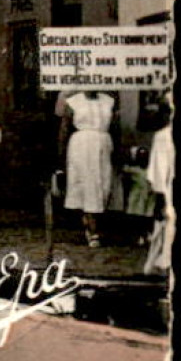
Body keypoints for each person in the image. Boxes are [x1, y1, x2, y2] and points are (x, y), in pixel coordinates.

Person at [60, 90, 118, 247]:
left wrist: (118, 150)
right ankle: (92, 230)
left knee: (104, 186)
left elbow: (115, 127)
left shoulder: (109, 100)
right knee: (88, 185)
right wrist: (60, 155)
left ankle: (91, 223)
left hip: (104, 143)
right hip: (82, 145)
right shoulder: (73, 101)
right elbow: (65, 129)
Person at [144, 99, 174, 276]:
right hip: (169, 191)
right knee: (163, 231)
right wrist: (161, 197)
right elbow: (159, 170)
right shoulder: (163, 136)